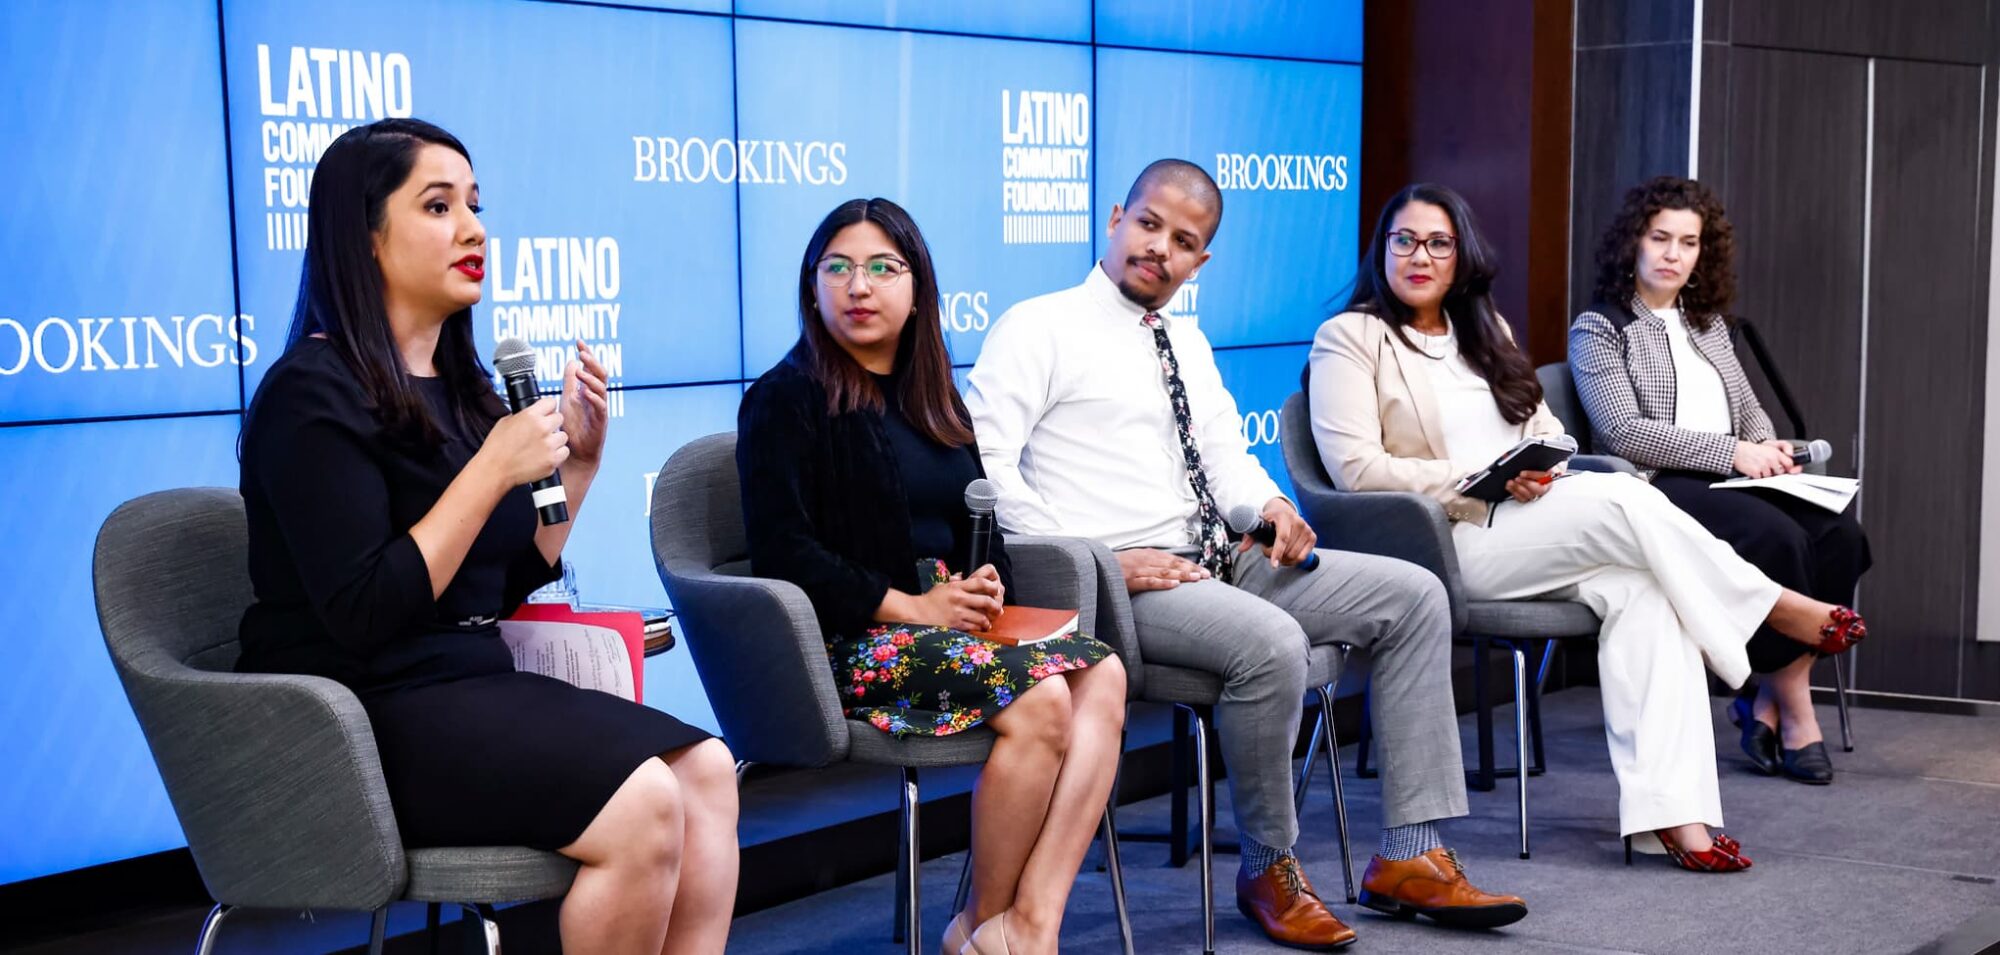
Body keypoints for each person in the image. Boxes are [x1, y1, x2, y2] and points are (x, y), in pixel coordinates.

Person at [969, 160, 1528, 948]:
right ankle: (1269, 865)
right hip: (1128, 580)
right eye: (1149, 225)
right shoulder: (1039, 326)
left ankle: (1411, 855)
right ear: (1115, 217)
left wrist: (1265, 506)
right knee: (1273, 644)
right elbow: (987, 469)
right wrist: (1095, 560)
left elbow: (1226, 454)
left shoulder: (1187, 339)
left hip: (1224, 555)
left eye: (1184, 241)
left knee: (1414, 595)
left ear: (1202, 261)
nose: (1160, 247)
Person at [235, 119, 736, 954]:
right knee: (647, 800)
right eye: (438, 206)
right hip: (362, 715)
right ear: (362, 236)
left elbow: (498, 583)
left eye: (475, 204)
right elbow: (366, 609)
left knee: (708, 769)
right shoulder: (310, 393)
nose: (473, 228)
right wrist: (489, 470)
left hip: (469, 684)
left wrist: (579, 466)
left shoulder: (461, 386)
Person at [1307, 182, 1870, 873]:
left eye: (1438, 242)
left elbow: (1546, 428)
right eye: (1405, 240)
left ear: (1461, 257)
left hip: (1532, 521)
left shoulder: (1486, 333)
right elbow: (1356, 469)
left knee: (1648, 590)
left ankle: (1674, 817)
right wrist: (1480, 475)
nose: (1420, 255)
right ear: (1382, 249)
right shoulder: (1351, 337)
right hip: (1445, 541)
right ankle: (1773, 603)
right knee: (1624, 496)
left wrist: (1540, 463)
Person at [737, 197, 1125, 955]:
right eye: (838, 268)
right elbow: (784, 552)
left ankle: (1027, 923)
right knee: (1046, 699)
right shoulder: (784, 400)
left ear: (917, 288)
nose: (859, 284)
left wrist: (986, 585)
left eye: (884, 267)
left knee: (1102, 676)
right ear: (811, 286)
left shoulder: (938, 401)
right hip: (857, 644)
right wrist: (913, 606)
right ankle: (981, 924)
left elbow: (986, 533)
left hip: (952, 633)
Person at [1570, 175, 1873, 785]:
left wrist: (1765, 446)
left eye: (1688, 242)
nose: (1673, 254)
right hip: (1656, 486)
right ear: (1634, 242)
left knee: (1843, 536)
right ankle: (1793, 711)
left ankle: (1764, 698)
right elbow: (1624, 433)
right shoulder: (1599, 327)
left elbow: (1747, 406)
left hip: (1730, 476)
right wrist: (1732, 452)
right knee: (1779, 542)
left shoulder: (1705, 322)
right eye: (1660, 238)